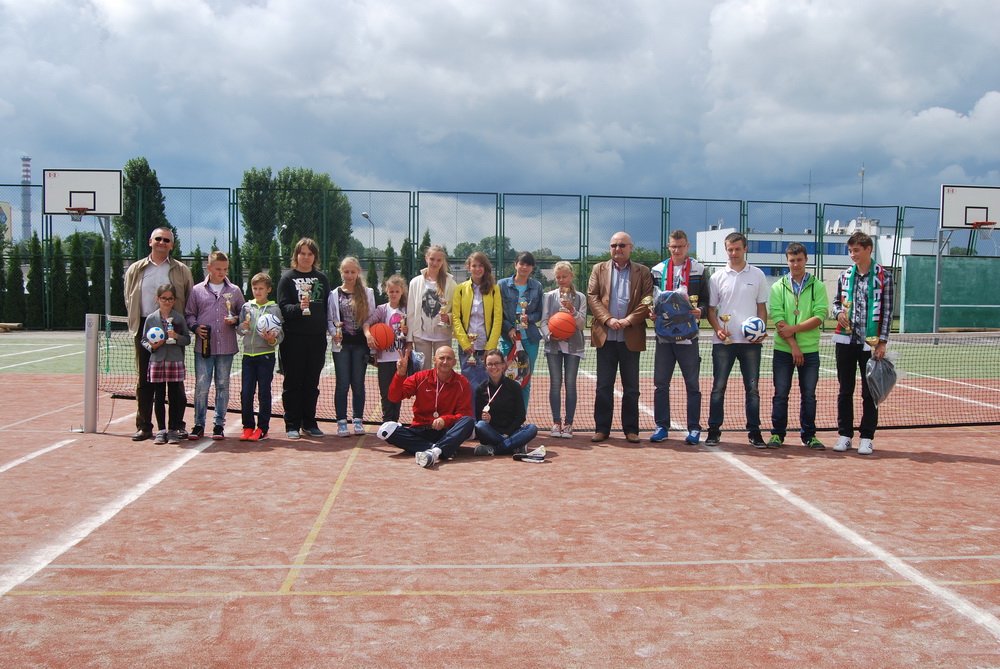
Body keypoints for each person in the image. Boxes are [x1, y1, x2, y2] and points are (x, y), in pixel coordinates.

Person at [124, 227, 194, 442]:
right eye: (158, 239)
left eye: (166, 240)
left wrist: (180, 327)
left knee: (175, 381)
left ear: (172, 245)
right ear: (150, 241)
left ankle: (177, 426)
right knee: (145, 379)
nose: (162, 242)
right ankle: (144, 426)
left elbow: (189, 297)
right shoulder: (136, 269)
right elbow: (128, 296)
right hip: (146, 325)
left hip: (173, 327)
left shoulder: (181, 270)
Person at [587, 231, 654, 443]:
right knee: (603, 387)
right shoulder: (598, 269)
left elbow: (647, 299)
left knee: (631, 389)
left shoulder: (643, 271)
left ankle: (631, 430)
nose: (618, 249)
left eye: (622, 245)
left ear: (631, 247)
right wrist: (608, 319)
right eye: (614, 245)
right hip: (606, 337)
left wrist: (628, 320)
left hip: (630, 336)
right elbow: (592, 297)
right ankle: (602, 429)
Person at [832, 231, 894, 455]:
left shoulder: (884, 277)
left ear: (868, 249)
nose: (852, 255)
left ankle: (867, 437)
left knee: (870, 392)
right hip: (845, 340)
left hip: (871, 343)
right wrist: (838, 313)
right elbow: (836, 303)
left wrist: (882, 342)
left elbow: (887, 312)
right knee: (844, 390)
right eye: (850, 251)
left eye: (856, 250)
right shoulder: (845, 276)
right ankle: (845, 435)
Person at [705, 232, 770, 447]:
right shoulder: (717, 277)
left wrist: (761, 330)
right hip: (724, 343)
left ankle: (754, 431)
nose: (733, 253)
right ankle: (713, 430)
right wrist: (718, 330)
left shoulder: (758, 275)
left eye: (737, 249)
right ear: (726, 250)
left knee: (752, 389)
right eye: (730, 249)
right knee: (718, 388)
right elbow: (711, 310)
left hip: (750, 344)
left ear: (745, 249)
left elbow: (761, 307)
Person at [649, 230, 709, 445]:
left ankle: (694, 428)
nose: (677, 250)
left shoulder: (699, 269)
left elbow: (706, 299)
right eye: (673, 246)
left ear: (687, 246)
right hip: (664, 336)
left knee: (692, 385)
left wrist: (701, 310)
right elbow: (651, 299)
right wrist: (651, 312)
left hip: (688, 335)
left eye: (681, 246)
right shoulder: (657, 270)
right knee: (661, 384)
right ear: (668, 246)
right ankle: (661, 426)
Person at [768, 243, 828, 449]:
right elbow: (777, 317)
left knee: (808, 395)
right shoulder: (777, 287)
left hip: (810, 350)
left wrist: (793, 330)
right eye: (792, 260)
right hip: (784, 350)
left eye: (799, 260)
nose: (796, 264)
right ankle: (777, 435)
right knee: (780, 394)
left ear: (806, 260)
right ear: (787, 262)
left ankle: (809, 436)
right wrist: (793, 345)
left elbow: (819, 316)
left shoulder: (817, 286)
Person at [377, 346, 475, 468]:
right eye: (442, 358)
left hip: (445, 431)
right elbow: (394, 397)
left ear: (455, 362)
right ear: (434, 360)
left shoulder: (462, 382)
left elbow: (465, 414)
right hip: (420, 430)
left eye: (449, 358)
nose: (445, 362)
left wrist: (445, 420)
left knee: (468, 421)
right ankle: (438, 449)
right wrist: (400, 374)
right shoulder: (420, 377)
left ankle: (430, 449)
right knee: (385, 430)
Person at [185, 250, 245, 440]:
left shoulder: (234, 290)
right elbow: (189, 314)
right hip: (203, 347)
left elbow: (243, 313)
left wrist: (235, 319)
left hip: (226, 347)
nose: (222, 272)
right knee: (202, 385)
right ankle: (199, 424)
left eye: (225, 269)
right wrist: (195, 327)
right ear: (209, 268)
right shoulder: (197, 290)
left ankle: (219, 424)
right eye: (218, 269)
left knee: (222, 385)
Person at [277, 237, 332, 440]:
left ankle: (309, 423)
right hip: (293, 339)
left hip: (317, 339)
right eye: (302, 253)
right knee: (293, 382)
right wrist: (299, 308)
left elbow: (327, 307)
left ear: (315, 257)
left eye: (310, 254)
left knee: (311, 383)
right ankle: (292, 424)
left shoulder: (322, 278)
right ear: (296, 255)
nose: (306, 257)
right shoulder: (287, 279)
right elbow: (283, 307)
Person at [328, 256, 376, 437]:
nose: (349, 275)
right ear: (341, 272)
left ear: (358, 272)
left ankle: (357, 420)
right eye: (346, 272)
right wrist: (334, 333)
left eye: (352, 272)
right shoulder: (334, 294)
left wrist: (372, 345)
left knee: (358, 384)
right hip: (341, 345)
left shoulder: (368, 292)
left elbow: (372, 318)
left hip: (360, 345)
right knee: (342, 384)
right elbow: (330, 319)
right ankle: (341, 422)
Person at [539, 260, 587, 439]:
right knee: (555, 384)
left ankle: (568, 424)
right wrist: (550, 336)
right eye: (558, 277)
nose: (561, 280)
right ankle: (556, 422)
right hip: (553, 346)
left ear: (571, 276)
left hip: (574, 346)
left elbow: (582, 324)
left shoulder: (580, 297)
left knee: (570, 384)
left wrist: (573, 311)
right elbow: (544, 322)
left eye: (564, 276)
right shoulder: (549, 296)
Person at [141, 284, 191, 445]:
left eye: (170, 299)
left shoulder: (178, 318)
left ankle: (173, 430)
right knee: (159, 396)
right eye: (164, 298)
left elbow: (187, 339)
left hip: (174, 360)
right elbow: (144, 340)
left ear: (174, 300)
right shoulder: (151, 319)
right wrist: (152, 346)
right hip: (157, 360)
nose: (167, 302)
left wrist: (176, 337)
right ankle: (161, 430)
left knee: (175, 396)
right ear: (158, 299)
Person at [237, 272, 283, 442]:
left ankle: (263, 428)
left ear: (268, 289)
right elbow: (239, 330)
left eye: (261, 288)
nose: (257, 291)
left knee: (264, 393)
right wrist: (243, 327)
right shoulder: (246, 307)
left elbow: (280, 335)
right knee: (246, 393)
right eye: (255, 288)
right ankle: (247, 426)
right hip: (248, 355)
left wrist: (272, 340)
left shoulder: (274, 309)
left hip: (266, 356)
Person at [498, 251, 544, 410]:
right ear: (515, 264)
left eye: (528, 264)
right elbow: (497, 313)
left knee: (525, 380)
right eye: (522, 263)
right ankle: (506, 416)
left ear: (532, 267)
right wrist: (509, 328)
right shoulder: (502, 285)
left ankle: (520, 417)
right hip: (508, 339)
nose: (524, 267)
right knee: (504, 379)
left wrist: (528, 318)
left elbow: (540, 313)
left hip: (529, 340)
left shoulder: (537, 286)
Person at [453, 251, 503, 394]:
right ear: (468, 267)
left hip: (486, 346)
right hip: (467, 348)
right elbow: (456, 318)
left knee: (487, 384)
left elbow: (497, 318)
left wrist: (490, 345)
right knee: (469, 384)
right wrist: (465, 343)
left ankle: (486, 409)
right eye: (474, 265)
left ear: (485, 267)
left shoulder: (494, 290)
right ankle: (470, 409)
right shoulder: (460, 289)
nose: (477, 269)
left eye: (480, 265)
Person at [472, 349, 539, 455]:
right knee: (480, 426)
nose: (494, 367)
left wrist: (507, 433)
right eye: (490, 364)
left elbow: (521, 416)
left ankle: (495, 449)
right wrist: (486, 420)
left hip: (511, 432)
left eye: (497, 363)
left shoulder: (514, 386)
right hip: (491, 433)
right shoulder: (480, 389)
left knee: (532, 429)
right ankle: (513, 446)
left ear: (503, 365)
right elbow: (479, 419)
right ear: (486, 367)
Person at [363, 274, 410, 424]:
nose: (394, 294)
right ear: (386, 291)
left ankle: (395, 421)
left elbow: (411, 334)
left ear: (402, 292)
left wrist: (407, 332)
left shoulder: (407, 310)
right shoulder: (382, 309)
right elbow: (367, 324)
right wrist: (369, 336)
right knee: (385, 391)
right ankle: (386, 420)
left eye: (397, 291)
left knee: (398, 391)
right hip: (384, 358)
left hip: (400, 358)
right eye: (391, 291)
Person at [407, 245, 457, 368]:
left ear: (443, 261)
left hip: (443, 336)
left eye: (439, 260)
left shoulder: (451, 283)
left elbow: (456, 310)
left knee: (443, 370)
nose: (435, 263)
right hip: (421, 336)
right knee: (423, 372)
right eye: (432, 259)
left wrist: (448, 318)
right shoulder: (415, 282)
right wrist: (409, 340)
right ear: (426, 258)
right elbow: (411, 312)